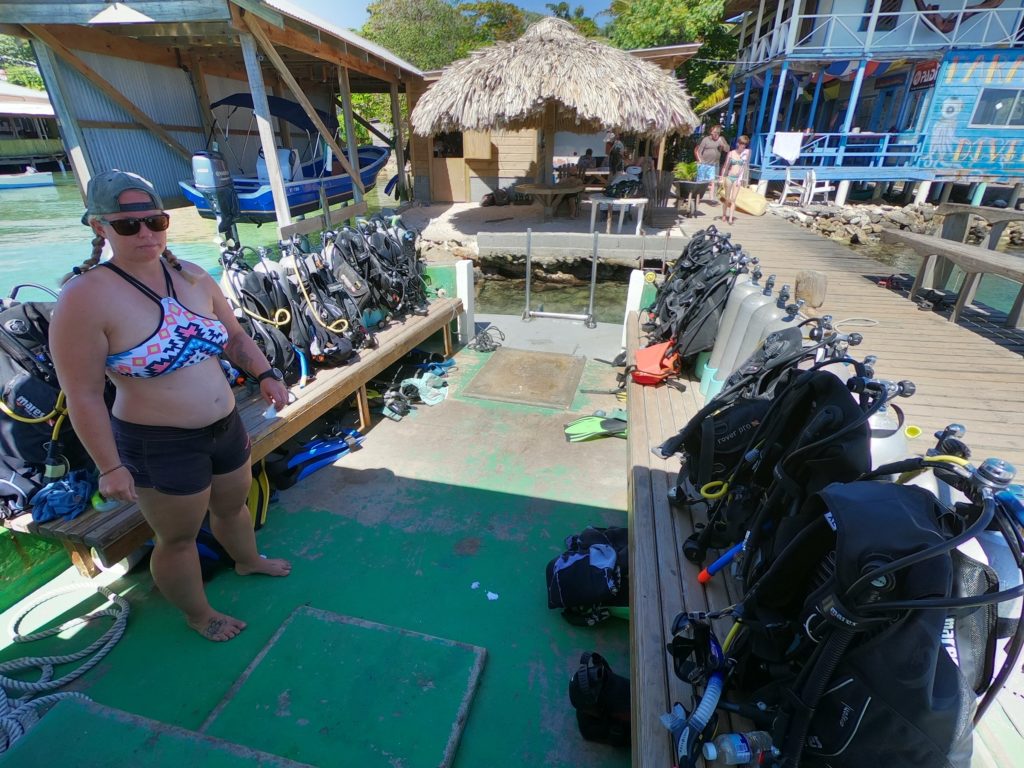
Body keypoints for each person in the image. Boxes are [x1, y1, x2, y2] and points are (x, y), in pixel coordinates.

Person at [49, 170, 292, 642]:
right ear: (100, 227)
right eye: (127, 225)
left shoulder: (193, 275)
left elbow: (235, 336)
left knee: (233, 507)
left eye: (155, 221)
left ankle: (247, 561)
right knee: (177, 539)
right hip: (158, 445)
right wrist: (110, 467)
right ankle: (199, 615)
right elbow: (81, 393)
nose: (145, 233)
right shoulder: (84, 298)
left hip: (225, 426)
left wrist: (266, 374)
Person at [694, 124, 730, 201]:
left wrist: (723, 145)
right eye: (713, 133)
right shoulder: (706, 139)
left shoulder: (721, 139)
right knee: (701, 181)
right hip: (704, 163)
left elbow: (727, 149)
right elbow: (699, 151)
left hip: (714, 164)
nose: (714, 134)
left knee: (713, 181)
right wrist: (700, 161)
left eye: (716, 133)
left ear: (719, 133)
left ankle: (711, 198)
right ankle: (698, 196)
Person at [722, 135, 751, 225]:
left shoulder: (746, 153)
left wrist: (743, 179)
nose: (743, 146)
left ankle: (730, 218)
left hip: (738, 179)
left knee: (734, 199)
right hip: (730, 177)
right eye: (742, 143)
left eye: (745, 144)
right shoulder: (731, 153)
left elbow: (745, 166)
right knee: (727, 199)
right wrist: (722, 177)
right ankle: (724, 214)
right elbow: (725, 166)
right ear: (738, 143)